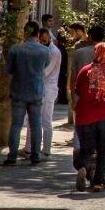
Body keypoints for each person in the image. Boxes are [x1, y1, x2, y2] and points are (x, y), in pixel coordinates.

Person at [72, 42, 105, 191]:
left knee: (86, 148)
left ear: (95, 53)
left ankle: (82, 167)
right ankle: (98, 182)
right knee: (103, 150)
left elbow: (78, 91)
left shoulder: (84, 71)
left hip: (85, 116)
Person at [5, 21, 51, 166]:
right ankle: (35, 155)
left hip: (18, 90)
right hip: (36, 90)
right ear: (38, 34)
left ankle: (12, 156)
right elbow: (45, 66)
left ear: (25, 32)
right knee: (36, 124)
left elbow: (9, 70)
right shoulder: (45, 51)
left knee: (16, 124)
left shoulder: (15, 49)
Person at [22, 27, 62, 157]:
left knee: (45, 120)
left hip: (48, 89)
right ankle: (29, 148)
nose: (43, 42)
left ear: (50, 38)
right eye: (41, 40)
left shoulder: (54, 52)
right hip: (38, 87)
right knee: (32, 118)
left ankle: (46, 149)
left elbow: (45, 72)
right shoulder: (41, 50)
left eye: (45, 40)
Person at [68, 26, 101, 121]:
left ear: (89, 36)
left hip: (82, 96)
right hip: (100, 98)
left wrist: (73, 98)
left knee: (80, 128)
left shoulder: (79, 53)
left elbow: (73, 78)